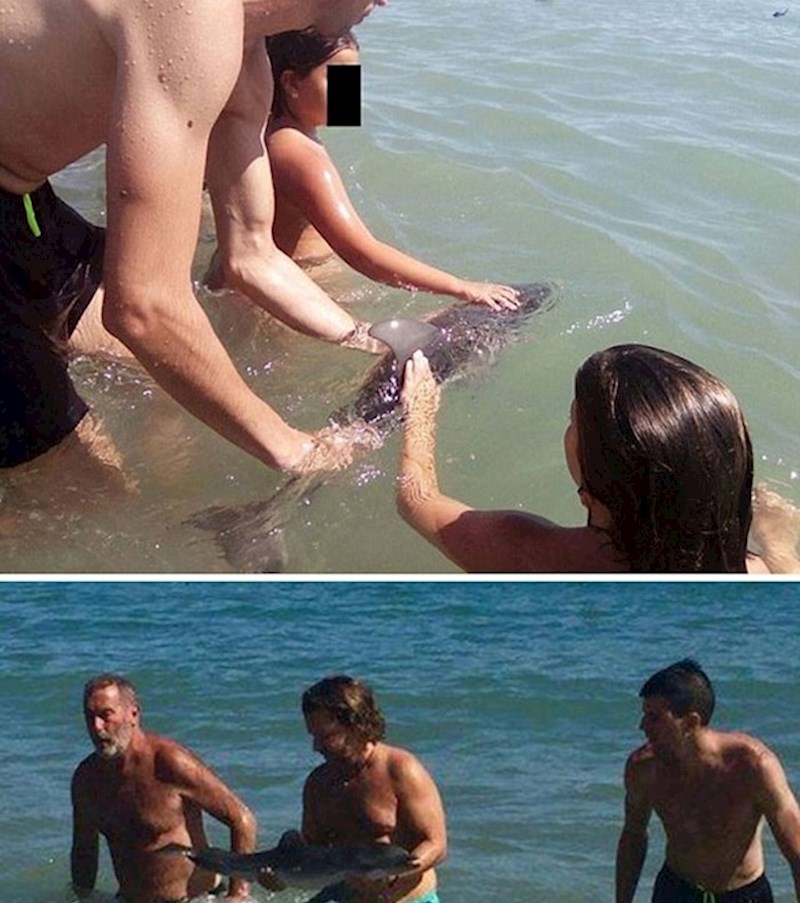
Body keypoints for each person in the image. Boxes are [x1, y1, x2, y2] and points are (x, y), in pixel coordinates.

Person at [0, 0, 386, 480]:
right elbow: (143, 307)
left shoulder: (246, 58)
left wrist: (366, 338)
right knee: (82, 490)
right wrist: (292, 448)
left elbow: (251, 254)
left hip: (24, 197)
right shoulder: (193, 19)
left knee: (157, 374)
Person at [394, 344, 792, 574]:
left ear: (593, 492)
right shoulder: (753, 572)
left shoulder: (530, 555)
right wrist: (775, 541)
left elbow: (416, 499)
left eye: (572, 421)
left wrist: (421, 412)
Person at [255, 30, 520, 311]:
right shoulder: (299, 155)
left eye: (354, 78)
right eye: (339, 78)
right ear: (292, 83)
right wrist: (462, 287)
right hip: (294, 293)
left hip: (286, 284)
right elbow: (362, 254)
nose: (351, 91)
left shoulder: (269, 133)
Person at [607, 659, 800, 903]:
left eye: (654, 718)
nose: (642, 727)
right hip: (679, 896)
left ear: (690, 721)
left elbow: (797, 852)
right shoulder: (644, 769)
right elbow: (632, 838)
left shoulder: (753, 766)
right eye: (644, 715)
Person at [260, 676, 447, 903]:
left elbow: (436, 844)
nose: (316, 746)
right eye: (313, 736)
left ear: (357, 725)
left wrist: (391, 876)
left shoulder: (401, 769)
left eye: (326, 736)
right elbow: (312, 858)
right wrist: (279, 878)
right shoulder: (318, 784)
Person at [71, 674, 257, 903]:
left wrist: (238, 895)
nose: (97, 727)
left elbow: (242, 819)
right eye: (89, 717)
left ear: (133, 714)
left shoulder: (169, 763)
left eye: (106, 715)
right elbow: (84, 853)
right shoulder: (86, 779)